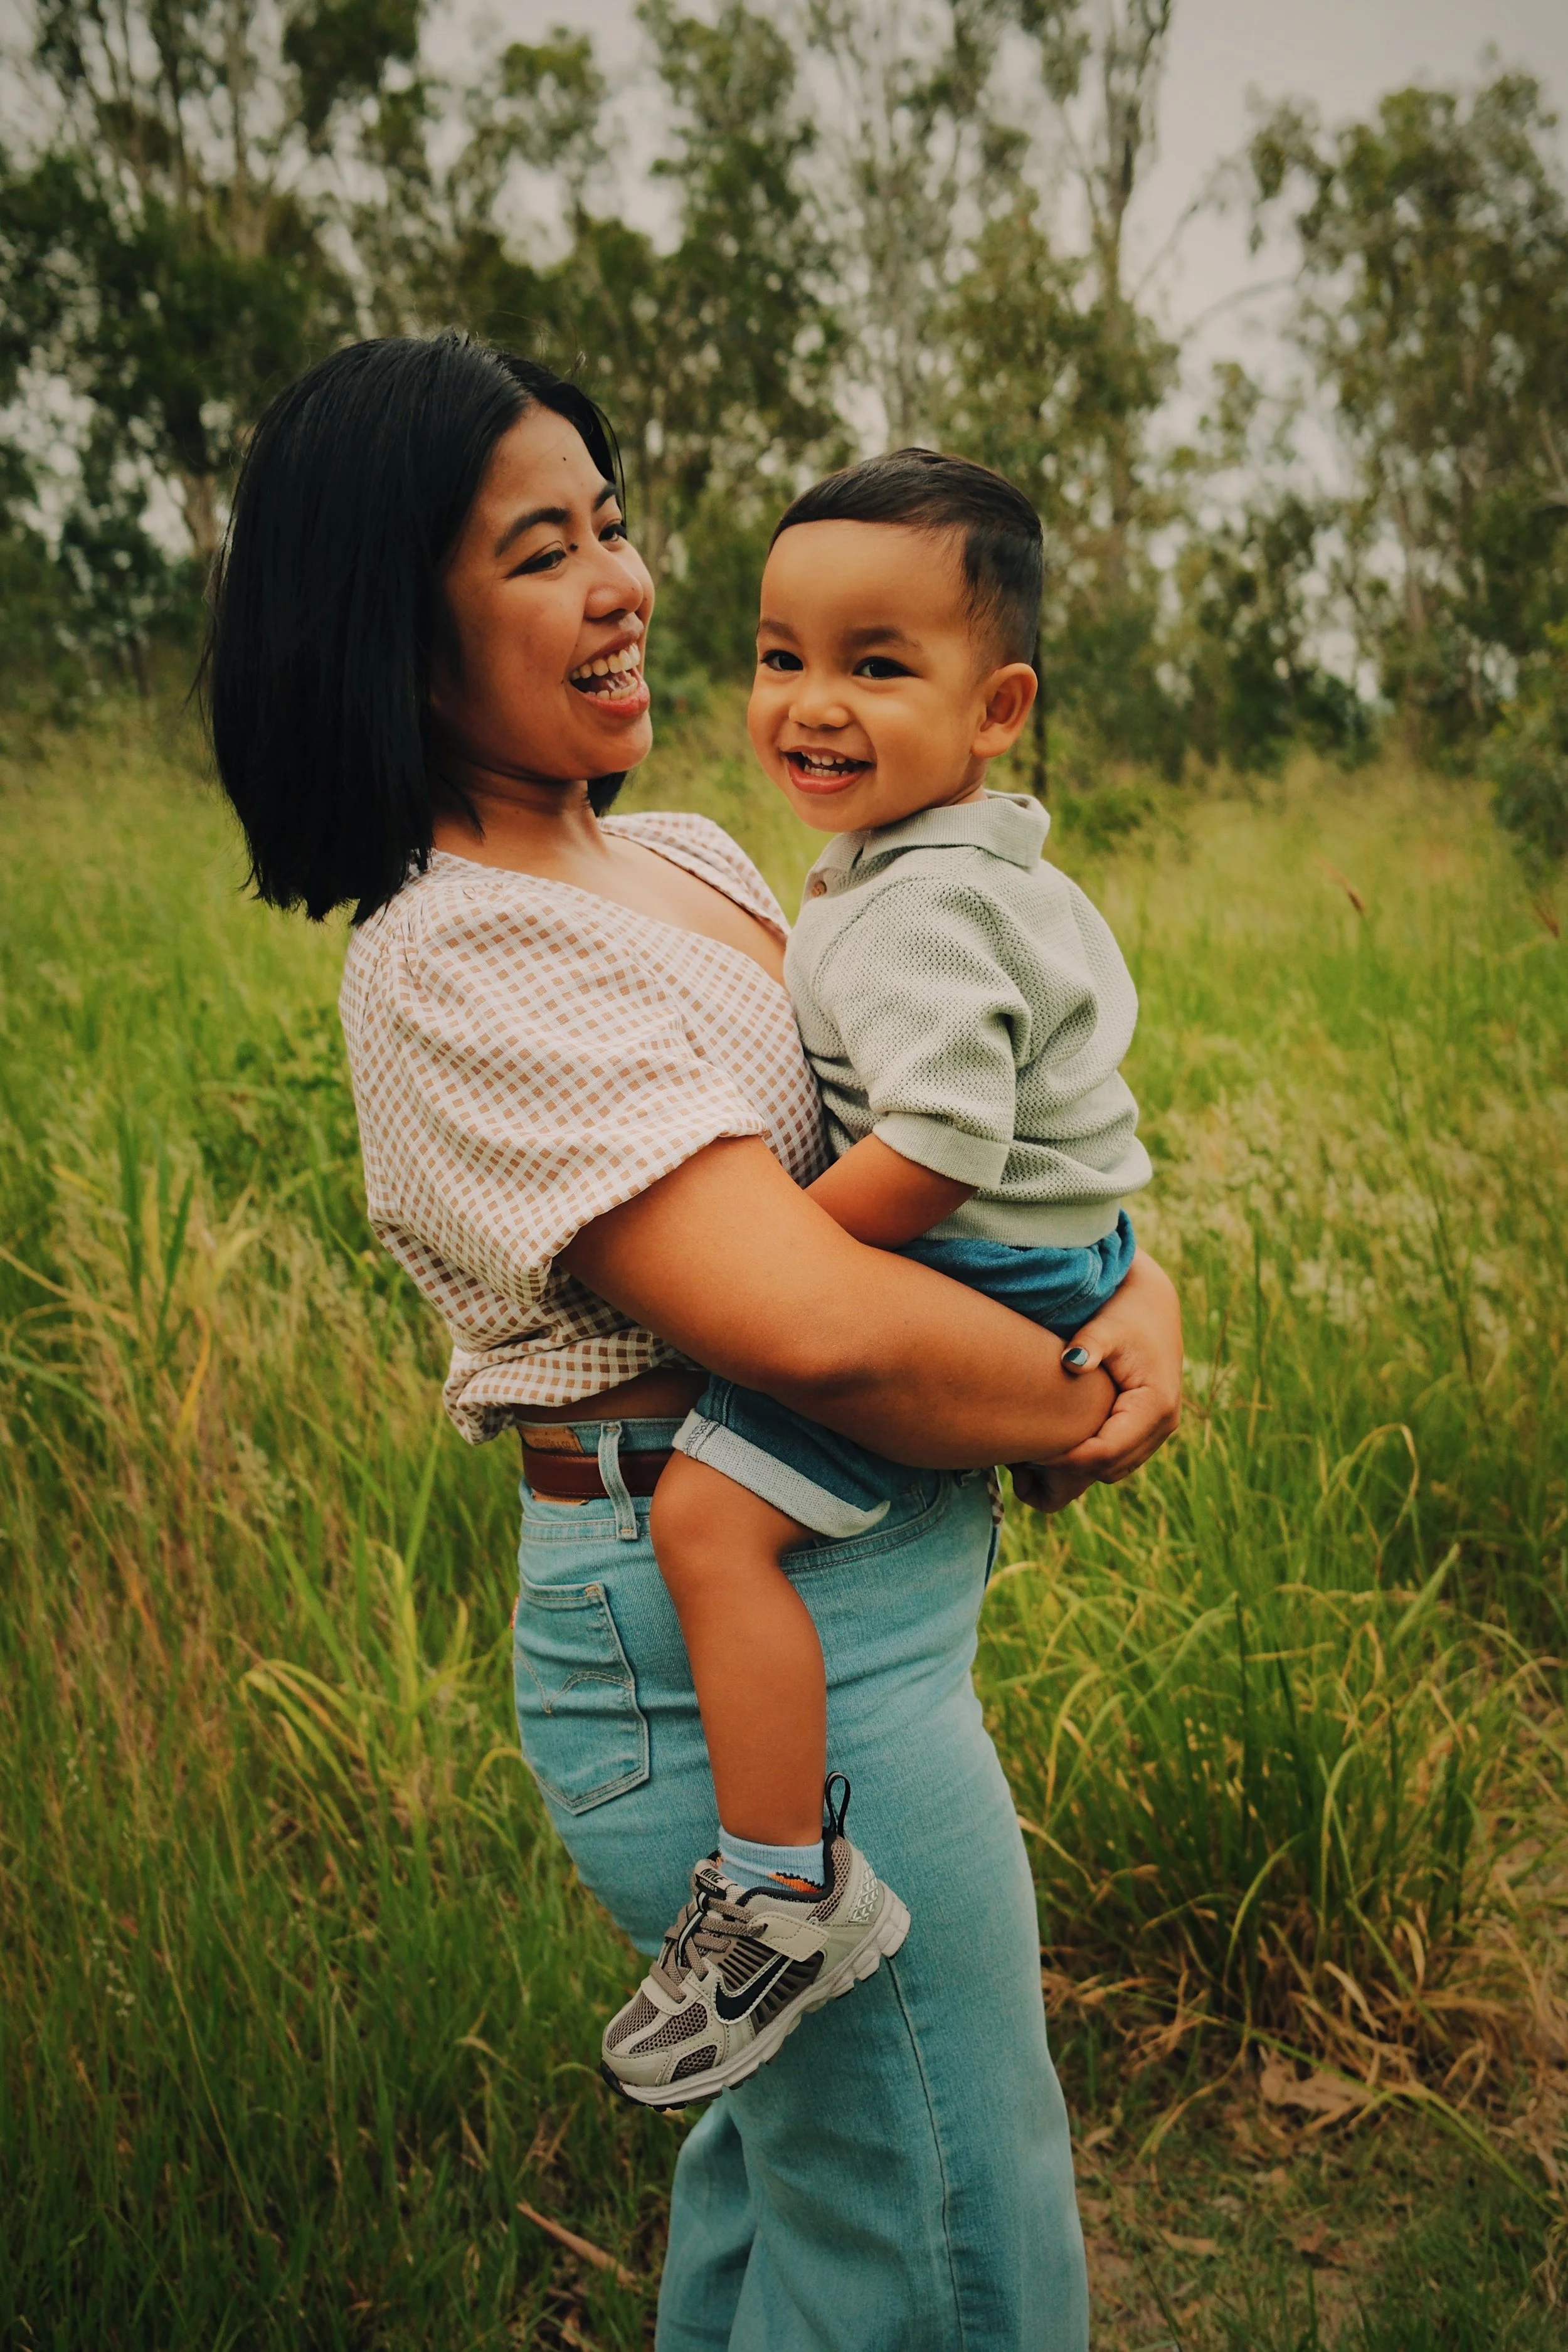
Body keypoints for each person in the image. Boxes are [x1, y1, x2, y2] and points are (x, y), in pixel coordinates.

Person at [203, 329, 1182, 2352]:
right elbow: (813, 1320)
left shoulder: (687, 857)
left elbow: (960, 1144)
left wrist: (1123, 1276)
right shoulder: (457, 949)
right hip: (707, 1616)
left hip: (856, 1585)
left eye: (616, 523)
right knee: (940, 2227)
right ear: (390, 624)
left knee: (802, 2186)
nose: (626, 580)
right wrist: (1092, 1386)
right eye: (541, 548)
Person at [603, 450, 1153, 2109]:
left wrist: (784, 1231)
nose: (812, 702)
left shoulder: (913, 906)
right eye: (782, 655)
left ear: (996, 708)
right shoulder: (956, 869)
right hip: (1073, 1247)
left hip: (995, 1260)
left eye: (875, 664)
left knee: (707, 1519)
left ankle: (782, 1887)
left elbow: (933, 1142)